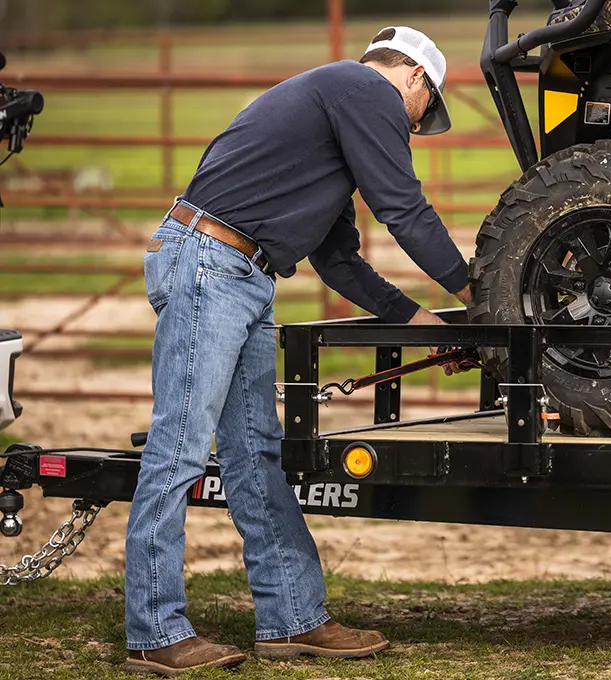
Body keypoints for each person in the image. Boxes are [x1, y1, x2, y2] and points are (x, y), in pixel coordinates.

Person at [123, 26, 467, 677]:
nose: (416, 129)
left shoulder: (332, 119)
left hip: (243, 272)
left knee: (255, 452)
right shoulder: (365, 89)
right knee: (180, 450)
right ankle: (154, 629)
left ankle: (293, 620)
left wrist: (425, 321)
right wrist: (476, 287)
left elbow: (338, 262)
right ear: (415, 80)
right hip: (210, 265)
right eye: (425, 114)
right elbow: (403, 207)